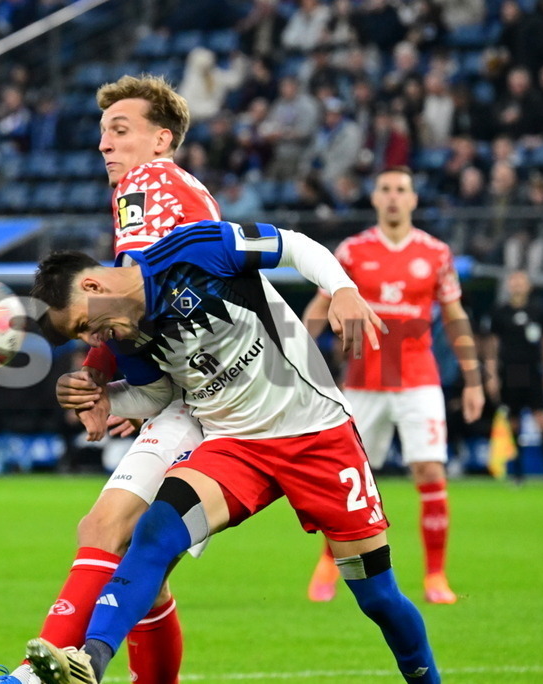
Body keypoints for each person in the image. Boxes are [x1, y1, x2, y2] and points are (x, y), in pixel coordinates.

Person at [22, 218, 440, 684]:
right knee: (155, 532)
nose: (90, 340)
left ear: (93, 285)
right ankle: (90, 660)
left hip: (318, 436)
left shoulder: (195, 250)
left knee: (378, 598)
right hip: (234, 447)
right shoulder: (127, 338)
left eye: (84, 325)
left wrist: (342, 289)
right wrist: (104, 397)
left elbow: (294, 245)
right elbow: (158, 396)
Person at [0, 74, 221, 684]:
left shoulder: (147, 184)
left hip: (220, 398)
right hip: (188, 394)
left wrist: (99, 375)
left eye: (120, 130)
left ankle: (32, 674)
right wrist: (106, 382)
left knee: (114, 534)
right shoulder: (173, 192)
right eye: (102, 132)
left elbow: (130, 300)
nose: (104, 144)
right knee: (133, 557)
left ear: (161, 140)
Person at [302, 167, 484, 605]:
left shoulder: (436, 253)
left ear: (414, 199)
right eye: (385, 189)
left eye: (402, 190)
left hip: (419, 381)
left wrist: (474, 379)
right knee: (348, 479)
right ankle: (328, 562)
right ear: (375, 198)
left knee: (431, 470)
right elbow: (319, 308)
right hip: (364, 382)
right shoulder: (353, 251)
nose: (393, 197)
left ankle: (435, 576)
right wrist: (297, 363)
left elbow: (455, 316)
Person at [484, 270, 543, 485]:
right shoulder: (500, 312)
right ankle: (518, 473)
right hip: (509, 372)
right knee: (513, 422)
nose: (517, 285)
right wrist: (491, 375)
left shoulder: (538, 310)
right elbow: (492, 345)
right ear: (508, 285)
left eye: (521, 281)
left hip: (533, 371)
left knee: (542, 419)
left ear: (529, 286)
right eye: (514, 281)